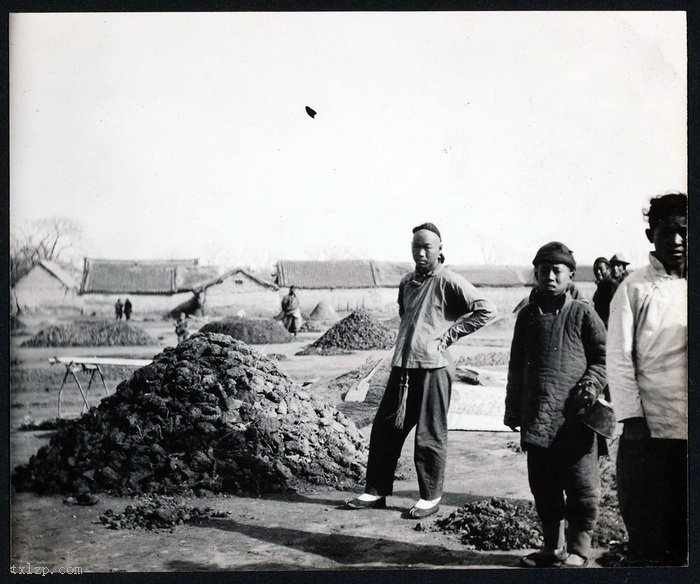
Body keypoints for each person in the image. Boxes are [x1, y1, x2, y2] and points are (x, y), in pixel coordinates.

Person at [344, 222, 496, 519]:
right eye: (416, 247)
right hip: (403, 365)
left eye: (427, 247)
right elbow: (406, 314)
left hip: (434, 368)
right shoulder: (407, 282)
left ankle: (429, 496)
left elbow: (485, 309)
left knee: (429, 432)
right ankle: (375, 491)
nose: (421, 252)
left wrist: (448, 336)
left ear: (440, 249)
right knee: (386, 428)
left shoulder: (448, 280)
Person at [504, 242, 607, 568]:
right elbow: (515, 366)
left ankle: (578, 550)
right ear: (535, 273)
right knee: (544, 487)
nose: (549, 276)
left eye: (556, 270)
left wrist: (590, 386)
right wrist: (513, 410)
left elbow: (603, 360)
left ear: (570, 276)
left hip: (575, 420)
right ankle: (554, 549)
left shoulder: (582, 314)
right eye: (543, 269)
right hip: (538, 418)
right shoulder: (526, 318)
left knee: (580, 487)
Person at [606, 193, 687, 566]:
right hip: (650, 433)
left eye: (684, 231)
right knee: (651, 532)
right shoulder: (634, 288)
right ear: (650, 234)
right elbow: (619, 359)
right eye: (667, 231)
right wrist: (632, 419)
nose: (676, 241)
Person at [591, 257, 618, 327]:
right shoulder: (601, 285)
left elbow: (615, 310)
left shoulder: (611, 285)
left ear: (608, 269)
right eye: (596, 269)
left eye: (600, 269)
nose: (598, 272)